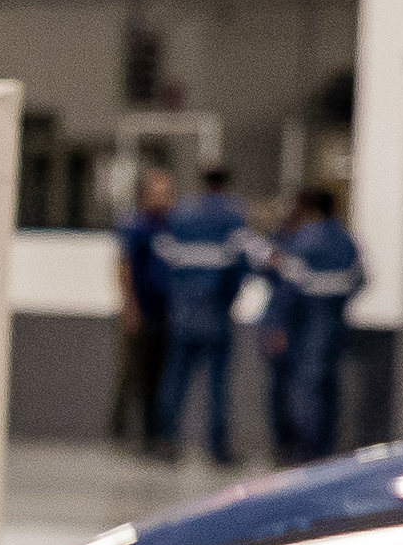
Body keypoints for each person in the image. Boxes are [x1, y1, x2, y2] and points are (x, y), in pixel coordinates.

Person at [147, 162, 263, 466]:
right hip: (216, 313)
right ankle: (218, 448)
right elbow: (245, 262)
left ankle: (166, 440)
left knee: (176, 378)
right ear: (225, 183)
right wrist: (229, 298)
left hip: (183, 313)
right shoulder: (232, 215)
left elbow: (161, 260)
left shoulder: (182, 214)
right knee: (218, 383)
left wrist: (174, 298)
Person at [261, 186, 366, 461]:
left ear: (308, 209)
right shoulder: (345, 240)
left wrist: (279, 324)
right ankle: (325, 447)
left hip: (306, 322)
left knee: (307, 387)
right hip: (335, 321)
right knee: (329, 385)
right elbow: (360, 279)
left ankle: (307, 450)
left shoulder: (304, 239)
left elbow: (288, 286)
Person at [110, 163, 177, 450]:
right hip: (140, 308)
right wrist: (130, 307)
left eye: (167, 192)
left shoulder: (172, 226)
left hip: (165, 310)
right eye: (159, 192)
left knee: (158, 376)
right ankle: (120, 432)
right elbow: (125, 267)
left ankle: (152, 434)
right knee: (132, 373)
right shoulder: (134, 225)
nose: (164, 197)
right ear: (145, 194)